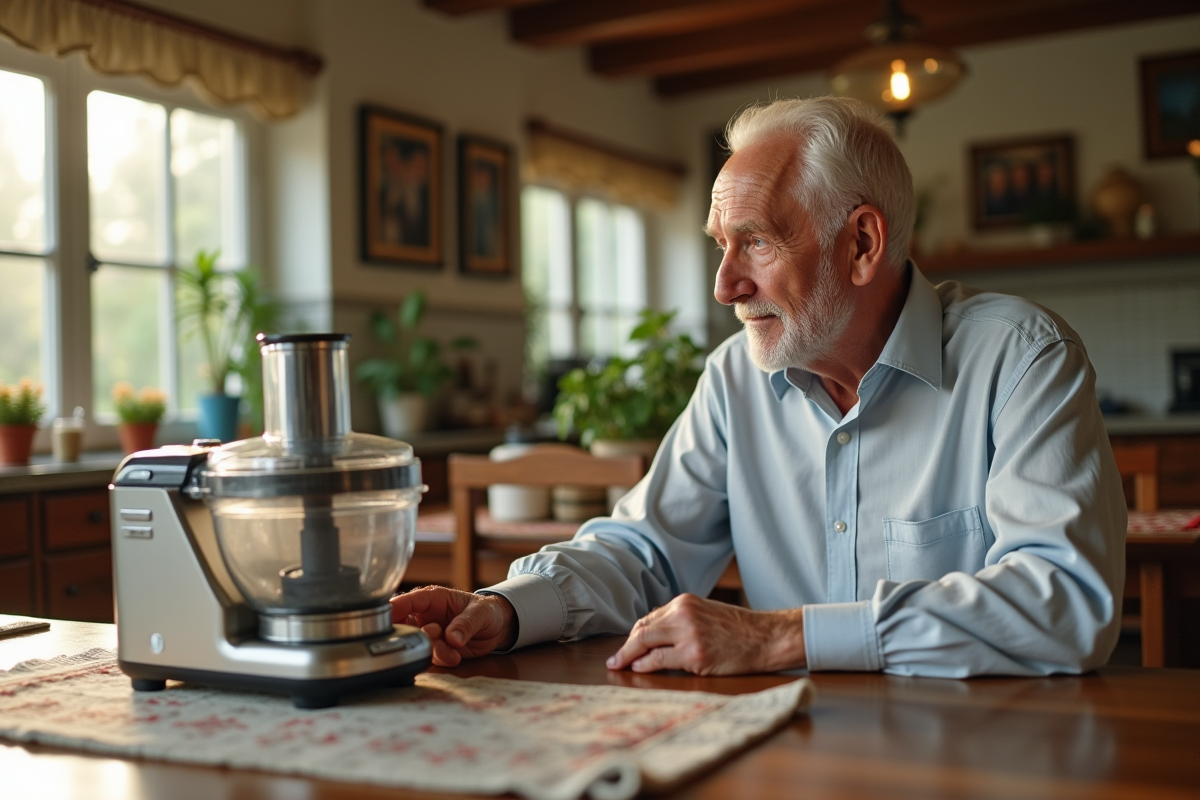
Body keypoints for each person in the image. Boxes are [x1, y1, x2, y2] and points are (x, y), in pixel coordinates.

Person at [392, 97, 1126, 678]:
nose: (724, 286)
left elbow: (1065, 603)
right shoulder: (736, 377)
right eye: (721, 245)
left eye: (758, 241)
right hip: (790, 749)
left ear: (862, 244)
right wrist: (505, 610)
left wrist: (782, 638)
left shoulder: (1023, 358)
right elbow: (643, 552)